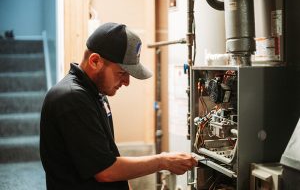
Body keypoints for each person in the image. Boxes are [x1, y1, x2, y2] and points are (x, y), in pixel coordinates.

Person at [40, 22, 197, 190]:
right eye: (122, 73)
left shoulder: (96, 94)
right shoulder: (71, 98)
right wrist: (163, 161)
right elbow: (105, 171)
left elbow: (109, 156)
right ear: (95, 61)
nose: (127, 82)